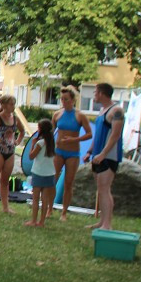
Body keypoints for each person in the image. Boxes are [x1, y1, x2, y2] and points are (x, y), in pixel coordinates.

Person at [84, 83, 124, 231]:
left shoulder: (117, 111)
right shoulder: (102, 111)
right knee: (100, 190)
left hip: (109, 156)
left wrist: (103, 154)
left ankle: (107, 224)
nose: (94, 95)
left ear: (101, 93)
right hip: (97, 155)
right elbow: (98, 134)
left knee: (105, 189)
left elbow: (115, 135)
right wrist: (90, 151)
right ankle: (102, 221)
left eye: (95, 92)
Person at [51, 86, 92, 221]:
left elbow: (89, 134)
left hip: (73, 152)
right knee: (53, 180)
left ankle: (64, 212)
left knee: (68, 183)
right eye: (62, 99)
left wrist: (75, 139)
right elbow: (51, 132)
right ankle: (49, 208)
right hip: (58, 151)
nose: (64, 102)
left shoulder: (80, 115)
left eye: (66, 99)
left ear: (73, 100)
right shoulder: (57, 114)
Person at [25, 119, 56, 228]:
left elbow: (31, 156)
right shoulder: (52, 142)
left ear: (41, 129)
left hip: (38, 172)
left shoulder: (40, 143)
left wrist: (32, 145)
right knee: (45, 199)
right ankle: (41, 222)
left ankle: (33, 220)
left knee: (35, 198)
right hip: (49, 173)